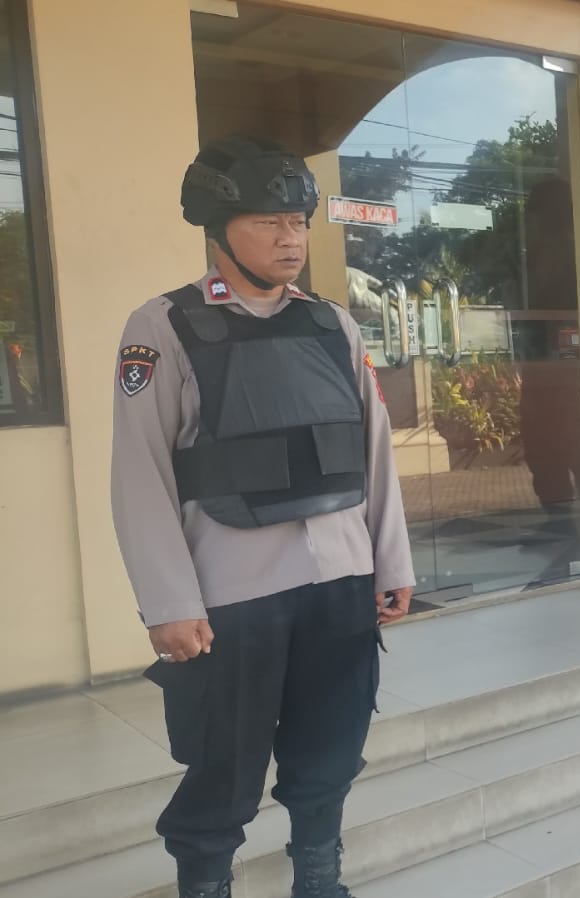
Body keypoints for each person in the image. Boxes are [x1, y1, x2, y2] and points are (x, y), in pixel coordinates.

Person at [110, 136, 415, 898]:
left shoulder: (332, 325)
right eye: (269, 222)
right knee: (224, 765)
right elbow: (139, 473)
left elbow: (373, 451)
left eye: (300, 222)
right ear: (219, 230)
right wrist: (169, 603)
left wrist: (392, 562)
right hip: (231, 596)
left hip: (339, 582)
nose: (291, 239)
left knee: (331, 750)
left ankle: (319, 880)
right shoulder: (164, 325)